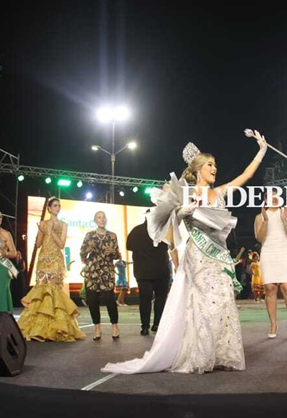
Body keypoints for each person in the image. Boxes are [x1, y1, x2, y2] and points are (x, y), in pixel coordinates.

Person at [102, 130, 268, 374]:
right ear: (198, 169)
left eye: (215, 165)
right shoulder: (185, 193)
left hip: (218, 256)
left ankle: (222, 354)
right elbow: (170, 218)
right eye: (210, 164)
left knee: (223, 301)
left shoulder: (220, 192)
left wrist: (261, 150)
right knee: (202, 302)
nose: (215, 168)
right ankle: (201, 355)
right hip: (198, 256)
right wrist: (181, 212)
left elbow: (245, 175)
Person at [18, 197, 85, 342]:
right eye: (55, 205)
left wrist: (51, 231)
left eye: (59, 206)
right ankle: (39, 328)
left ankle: (56, 328)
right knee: (41, 290)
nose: (58, 208)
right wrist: (40, 231)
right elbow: (38, 245)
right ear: (48, 208)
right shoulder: (43, 223)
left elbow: (61, 244)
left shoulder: (63, 224)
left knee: (53, 290)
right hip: (43, 260)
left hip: (55, 260)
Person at [254, 189, 287, 338]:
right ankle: (273, 324)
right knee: (270, 288)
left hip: (285, 252)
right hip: (268, 252)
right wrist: (266, 221)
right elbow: (260, 238)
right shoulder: (260, 217)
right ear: (265, 200)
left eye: (276, 196)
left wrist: (286, 222)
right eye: (270, 196)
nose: (274, 198)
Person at [80, 211, 121, 340]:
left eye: (103, 217)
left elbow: (117, 256)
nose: (102, 219)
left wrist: (113, 252)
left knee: (110, 300)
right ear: (95, 220)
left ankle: (114, 326)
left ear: (106, 220)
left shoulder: (112, 236)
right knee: (92, 301)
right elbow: (82, 254)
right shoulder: (89, 235)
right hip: (92, 272)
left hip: (107, 272)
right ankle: (97, 327)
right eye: (99, 217)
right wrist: (88, 249)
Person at [127, 215, 171, 336]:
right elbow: (170, 246)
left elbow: (128, 246)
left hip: (143, 273)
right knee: (160, 299)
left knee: (144, 300)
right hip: (161, 271)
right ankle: (157, 324)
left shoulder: (136, 231)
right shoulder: (163, 231)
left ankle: (144, 327)